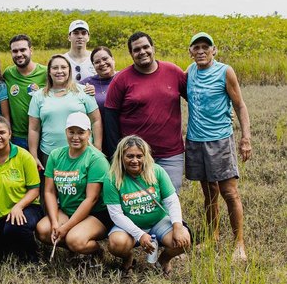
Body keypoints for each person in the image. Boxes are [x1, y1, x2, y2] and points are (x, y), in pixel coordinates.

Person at [185, 32, 252, 261]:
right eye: (197, 47)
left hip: (220, 140)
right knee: (209, 193)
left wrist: (246, 138)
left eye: (206, 47)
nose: (201, 51)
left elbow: (240, 106)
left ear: (214, 50)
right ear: (190, 52)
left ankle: (239, 244)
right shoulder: (190, 71)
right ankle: (212, 236)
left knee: (229, 193)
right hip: (195, 140)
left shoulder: (225, 71)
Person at [104, 32, 187, 192]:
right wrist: (118, 154)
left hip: (170, 154)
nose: (142, 52)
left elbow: (196, 99)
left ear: (153, 48)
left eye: (145, 47)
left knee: (170, 198)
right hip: (135, 156)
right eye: (136, 49)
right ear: (131, 54)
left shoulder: (173, 72)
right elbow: (110, 120)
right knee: (141, 203)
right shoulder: (121, 80)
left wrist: (222, 111)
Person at [103, 135, 190, 276]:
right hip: (129, 225)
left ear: (145, 156)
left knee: (183, 240)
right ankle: (128, 258)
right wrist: (140, 234)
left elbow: (172, 201)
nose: (135, 160)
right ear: (121, 156)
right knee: (116, 244)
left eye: (139, 156)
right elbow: (116, 214)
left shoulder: (157, 171)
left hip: (158, 221)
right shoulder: (112, 178)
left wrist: (178, 227)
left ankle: (163, 260)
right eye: (129, 156)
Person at [36, 112, 112, 257]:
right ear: (66, 132)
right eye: (71, 132)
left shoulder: (96, 159)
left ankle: (95, 251)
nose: (75, 137)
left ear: (89, 133)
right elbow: (49, 192)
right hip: (67, 209)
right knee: (43, 230)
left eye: (81, 132)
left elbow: (92, 199)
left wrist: (66, 228)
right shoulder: (55, 155)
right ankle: (76, 248)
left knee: (74, 240)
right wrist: (54, 222)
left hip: (95, 213)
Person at [0, 116, 43, 262]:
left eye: (2, 132)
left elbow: (35, 190)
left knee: (14, 227)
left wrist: (19, 206)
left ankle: (32, 256)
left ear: (10, 134)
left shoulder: (24, 156)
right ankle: (10, 247)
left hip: (26, 208)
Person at [28, 54, 102, 172]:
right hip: (50, 154)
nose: (59, 71)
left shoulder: (83, 91)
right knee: (50, 189)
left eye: (63, 67)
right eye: (55, 68)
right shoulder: (38, 96)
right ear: (49, 72)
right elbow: (33, 129)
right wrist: (33, 156)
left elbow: (96, 120)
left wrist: (97, 148)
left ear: (69, 70)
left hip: (83, 153)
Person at [3, 34, 47, 149]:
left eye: (23, 50)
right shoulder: (8, 74)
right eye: (15, 51)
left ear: (31, 50)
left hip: (42, 135)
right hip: (17, 137)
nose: (19, 54)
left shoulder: (45, 73)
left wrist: (87, 88)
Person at [80, 46, 118, 158]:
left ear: (113, 59)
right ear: (93, 66)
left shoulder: (124, 77)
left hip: (120, 133)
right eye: (97, 62)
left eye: (105, 59)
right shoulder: (86, 84)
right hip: (97, 138)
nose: (102, 63)